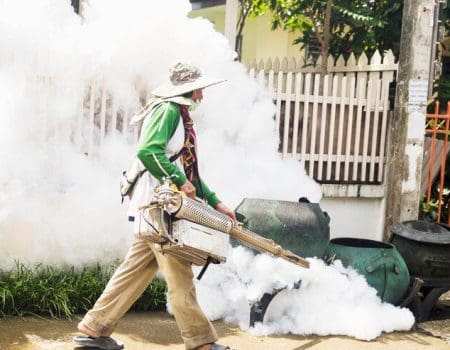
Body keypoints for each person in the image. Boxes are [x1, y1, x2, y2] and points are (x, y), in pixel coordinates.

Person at [74, 63, 236, 350]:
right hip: (159, 206)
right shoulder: (169, 111)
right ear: (187, 89)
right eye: (199, 89)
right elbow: (148, 151)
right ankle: (201, 342)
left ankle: (94, 327)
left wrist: (215, 202)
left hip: (155, 206)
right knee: (179, 271)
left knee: (135, 269)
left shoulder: (177, 114)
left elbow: (189, 170)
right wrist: (178, 180)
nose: (202, 96)